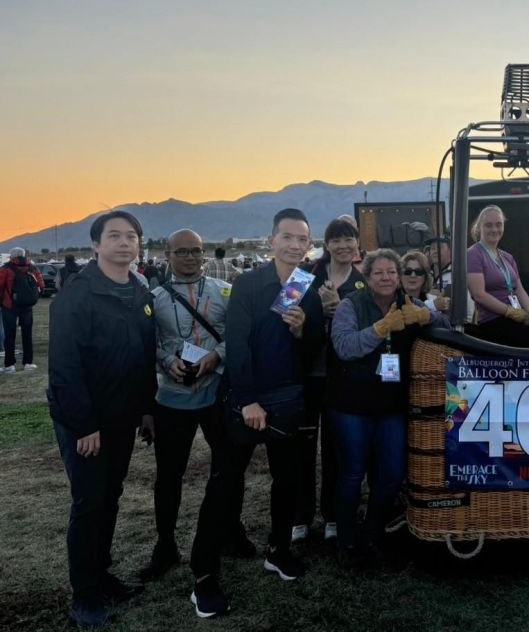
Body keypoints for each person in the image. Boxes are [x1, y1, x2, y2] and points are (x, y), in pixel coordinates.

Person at [188, 209, 324, 618]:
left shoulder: (304, 285)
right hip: (244, 400)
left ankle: (278, 550)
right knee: (225, 486)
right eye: (288, 237)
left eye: (302, 239)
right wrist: (247, 399)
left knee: (287, 481)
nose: (295, 245)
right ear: (271, 241)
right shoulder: (249, 283)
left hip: (287, 400)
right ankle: (204, 577)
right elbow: (238, 344)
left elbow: (312, 349)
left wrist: (301, 330)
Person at [47, 211, 156, 627]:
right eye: (114, 236)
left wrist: (146, 408)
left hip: (123, 415)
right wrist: (84, 424)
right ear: (96, 245)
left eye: (131, 236)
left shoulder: (139, 290)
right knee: (89, 502)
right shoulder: (77, 295)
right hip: (86, 422)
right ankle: (85, 596)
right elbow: (64, 367)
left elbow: (144, 356)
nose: (124, 243)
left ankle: (102, 573)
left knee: (110, 496)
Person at [138, 229, 251, 582]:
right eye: (182, 251)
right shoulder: (154, 298)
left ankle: (231, 529)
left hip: (217, 394)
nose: (190, 257)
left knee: (230, 468)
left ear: (204, 254)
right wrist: (166, 361)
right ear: (167, 254)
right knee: (169, 476)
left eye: (196, 251)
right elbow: (148, 344)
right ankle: (165, 544)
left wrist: (216, 357)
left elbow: (238, 335)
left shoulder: (224, 292)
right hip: (172, 398)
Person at [329, 249, 448, 564]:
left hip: (391, 405)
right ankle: (346, 540)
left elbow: (446, 322)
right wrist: (381, 328)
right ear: (367, 277)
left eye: (392, 272)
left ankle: (373, 532)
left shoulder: (410, 303)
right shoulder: (351, 305)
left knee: (394, 472)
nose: (386, 277)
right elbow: (344, 346)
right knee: (352, 472)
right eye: (379, 272)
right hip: (352, 404)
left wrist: (428, 316)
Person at [292, 217, 366, 545]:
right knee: (302, 449)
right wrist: (317, 312)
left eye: (349, 239)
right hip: (307, 374)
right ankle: (301, 516)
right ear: (327, 244)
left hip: (343, 378)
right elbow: (282, 313)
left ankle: (333, 514)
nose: (343, 246)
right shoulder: (302, 275)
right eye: (336, 240)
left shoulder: (363, 282)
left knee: (336, 449)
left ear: (358, 243)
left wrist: (342, 316)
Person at [466, 205, 529, 346]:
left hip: (516, 315)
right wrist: (510, 312)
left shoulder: (507, 257)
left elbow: (518, 289)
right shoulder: (473, 254)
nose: (494, 229)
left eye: (498, 224)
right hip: (492, 319)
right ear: (479, 227)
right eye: (488, 225)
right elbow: (479, 295)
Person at [1, 247, 44, 372]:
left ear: (12, 256)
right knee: (27, 334)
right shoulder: (32, 268)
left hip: (9, 306)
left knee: (10, 335)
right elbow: (41, 285)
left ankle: (10, 365)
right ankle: (28, 363)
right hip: (27, 306)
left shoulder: (5, 268)